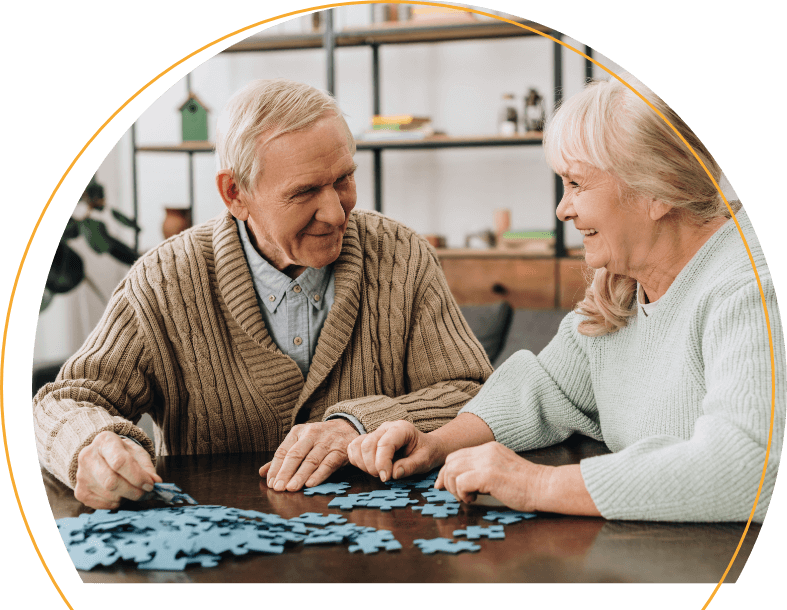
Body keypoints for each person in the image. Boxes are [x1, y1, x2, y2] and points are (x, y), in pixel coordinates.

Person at [33, 78, 493, 510]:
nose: (336, 213)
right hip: (220, 551)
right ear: (235, 193)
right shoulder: (163, 280)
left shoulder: (402, 255)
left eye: (343, 180)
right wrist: (92, 444)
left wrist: (356, 425)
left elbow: (477, 396)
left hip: (386, 541)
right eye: (305, 192)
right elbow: (66, 402)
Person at [348, 75, 785, 523]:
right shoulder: (623, 283)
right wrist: (436, 443)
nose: (562, 209)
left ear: (658, 191)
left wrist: (536, 484)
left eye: (577, 184)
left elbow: (751, 466)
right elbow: (546, 386)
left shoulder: (750, 287)